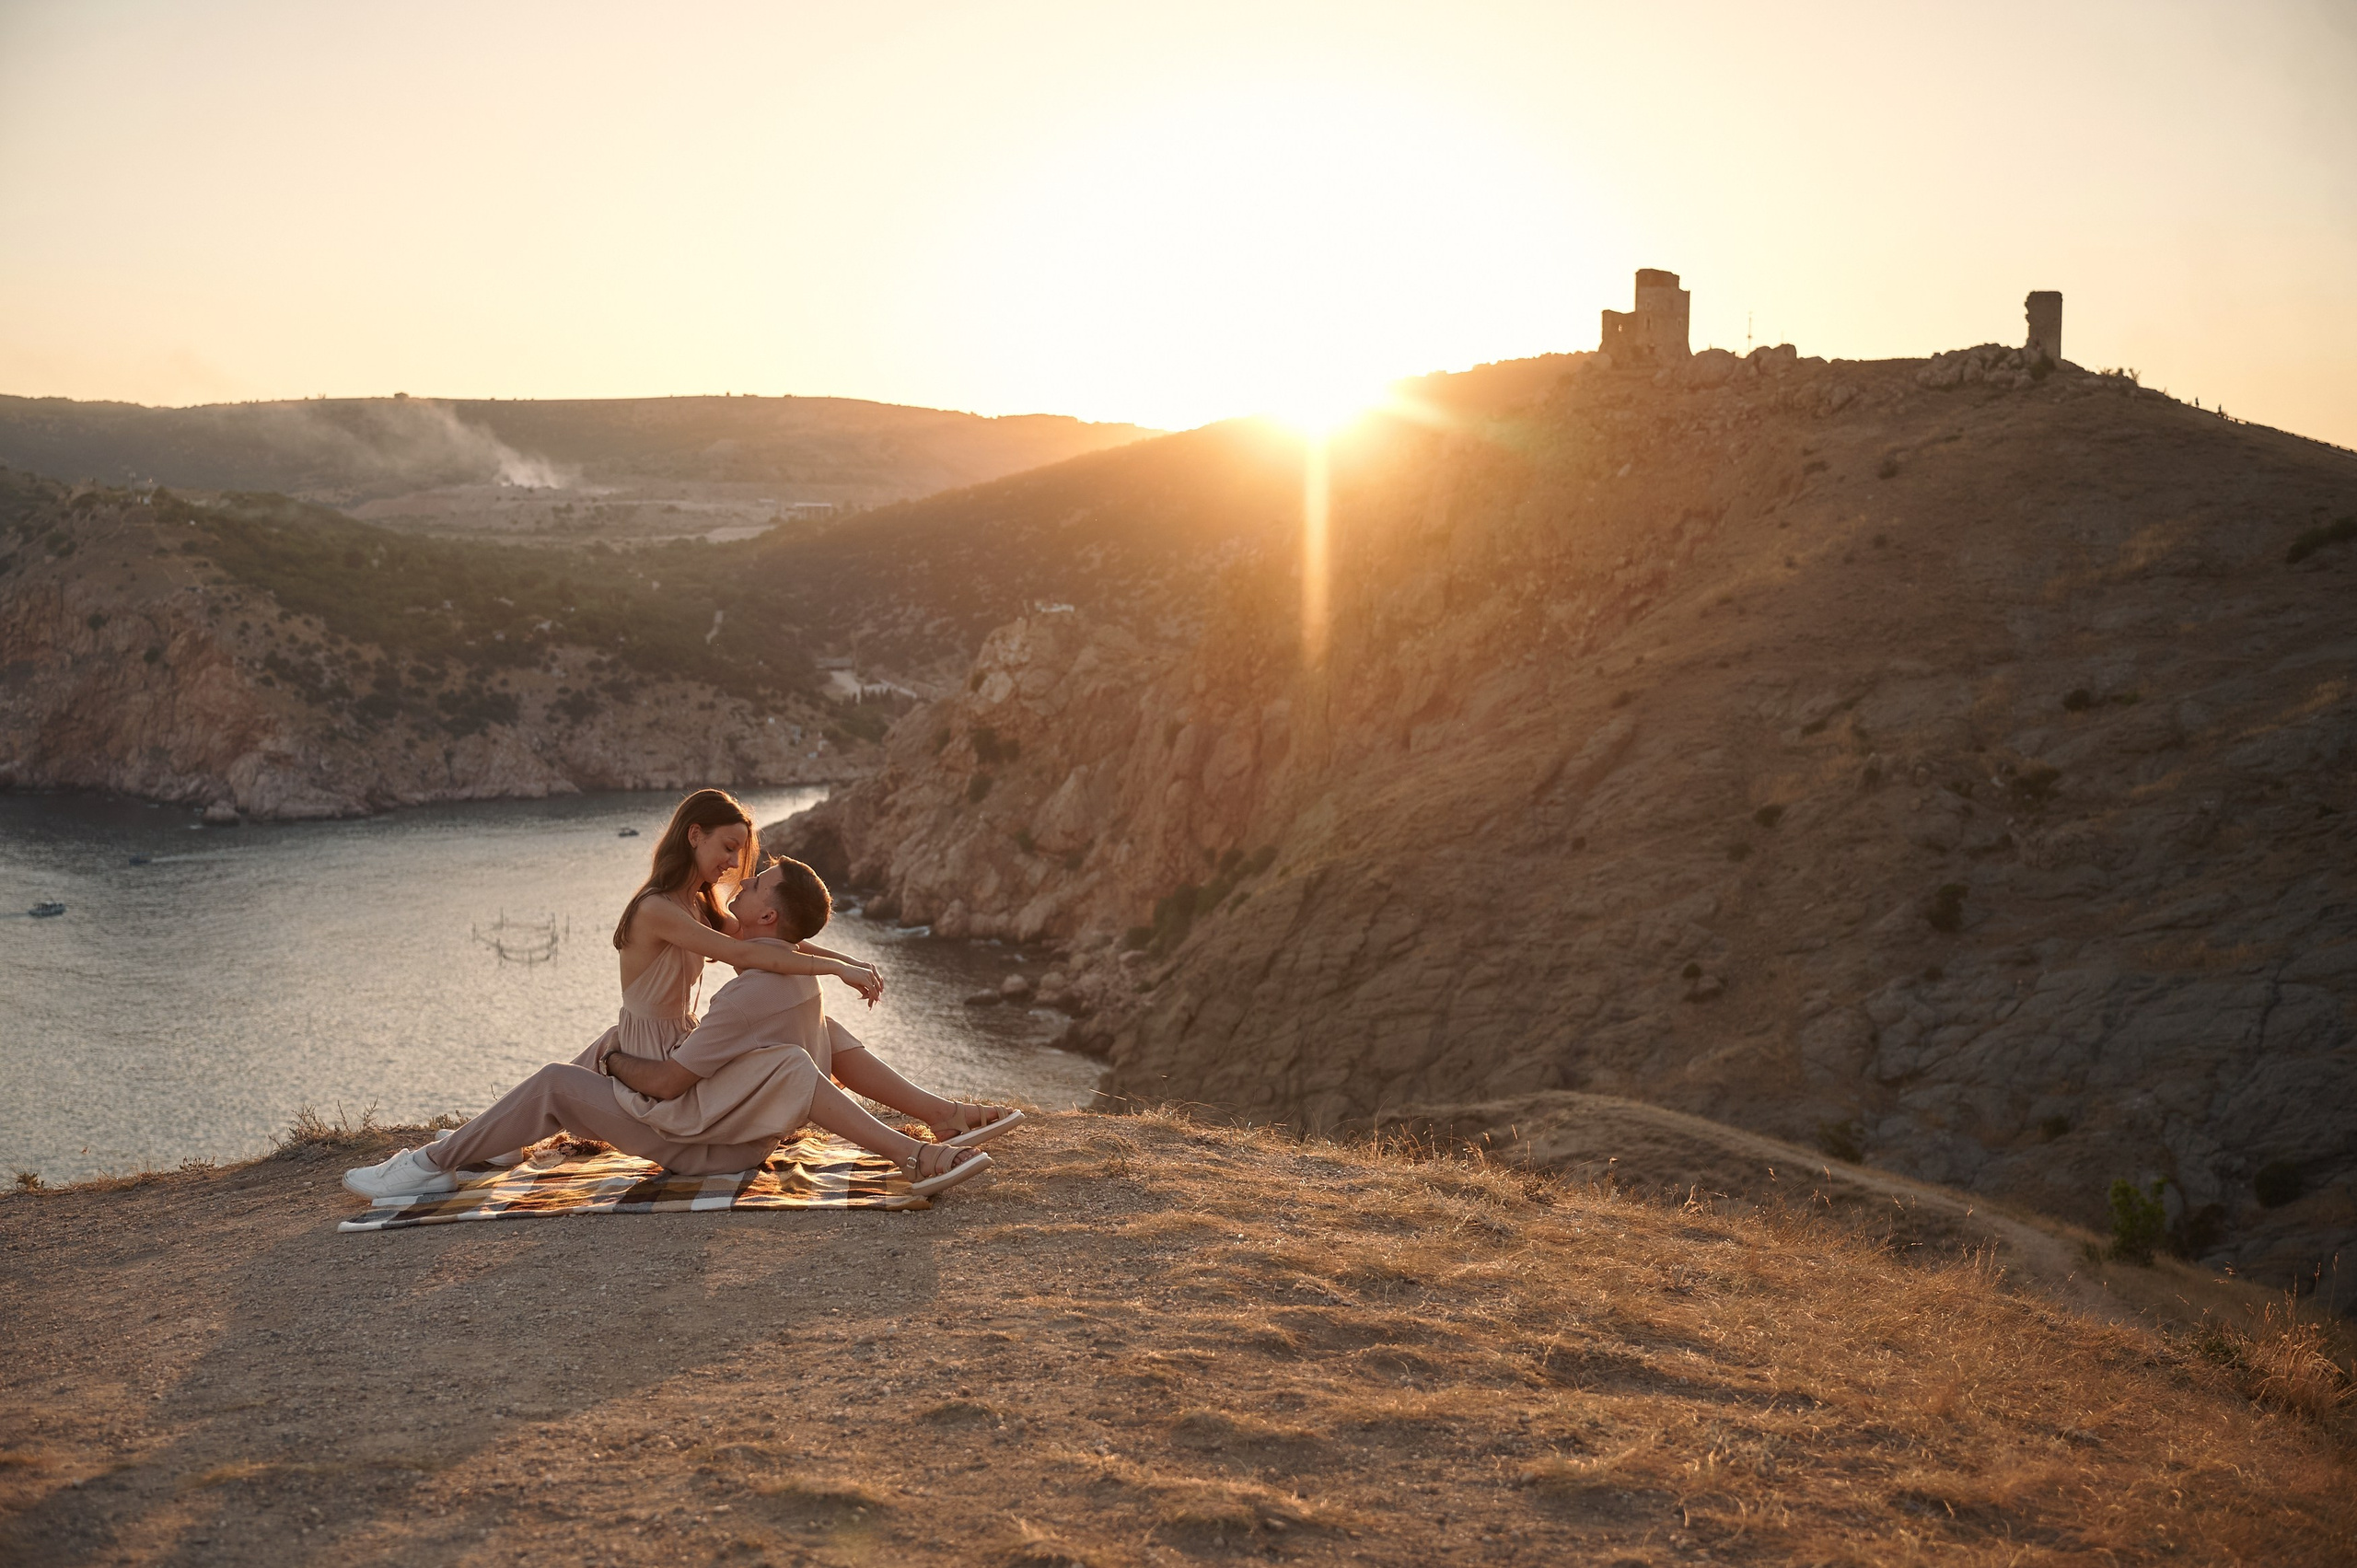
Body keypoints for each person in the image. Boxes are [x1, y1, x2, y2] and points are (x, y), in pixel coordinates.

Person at [345, 856, 1008, 1198]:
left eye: (753, 886)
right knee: (821, 1040)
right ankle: (941, 1115)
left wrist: (610, 1066)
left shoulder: (746, 997)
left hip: (706, 1148)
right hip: (739, 1131)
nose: (740, 888)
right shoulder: (795, 972)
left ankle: (429, 1165)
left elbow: (662, 1084)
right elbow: (792, 975)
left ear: (768, 918)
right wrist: (844, 964)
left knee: (564, 1076)